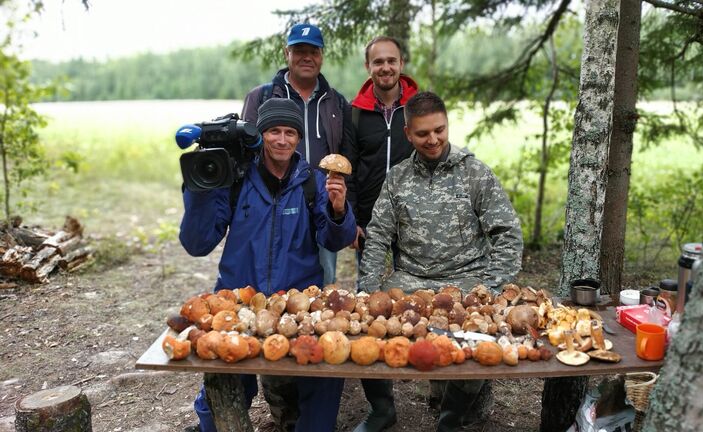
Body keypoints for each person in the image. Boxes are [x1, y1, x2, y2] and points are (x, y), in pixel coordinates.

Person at [179, 98, 357, 432]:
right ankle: (212, 427)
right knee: (225, 373)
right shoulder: (237, 179)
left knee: (324, 373)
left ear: (299, 139)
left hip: (298, 302)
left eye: (290, 132)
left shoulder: (311, 182)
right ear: (261, 135)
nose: (282, 139)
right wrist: (200, 190)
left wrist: (337, 209)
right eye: (274, 131)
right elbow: (196, 243)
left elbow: (335, 240)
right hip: (238, 299)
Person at [358, 91, 524, 431]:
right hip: (409, 279)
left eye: (440, 130)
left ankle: (451, 417)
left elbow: (508, 233)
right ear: (408, 134)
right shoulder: (397, 178)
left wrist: (490, 287)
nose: (433, 139)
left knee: (479, 341)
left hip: (465, 279)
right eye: (422, 133)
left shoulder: (474, 173)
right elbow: (376, 237)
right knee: (363, 331)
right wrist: (367, 290)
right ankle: (381, 410)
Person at [341, 36, 418, 432]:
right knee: (368, 308)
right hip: (370, 225)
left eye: (392, 61)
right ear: (368, 67)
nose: (385, 68)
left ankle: (435, 381)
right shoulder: (357, 114)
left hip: (415, 227)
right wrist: (352, 217)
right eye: (378, 62)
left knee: (421, 302)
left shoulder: (418, 108)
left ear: (402, 63)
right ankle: (381, 406)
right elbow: (349, 169)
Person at [241, 22, 348, 287]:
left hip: (322, 203)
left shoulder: (336, 101)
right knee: (267, 276)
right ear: (286, 53)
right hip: (275, 203)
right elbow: (245, 153)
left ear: (322, 55)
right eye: (299, 50)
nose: (307, 57)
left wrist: (344, 209)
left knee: (322, 282)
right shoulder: (262, 96)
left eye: (313, 50)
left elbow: (346, 158)